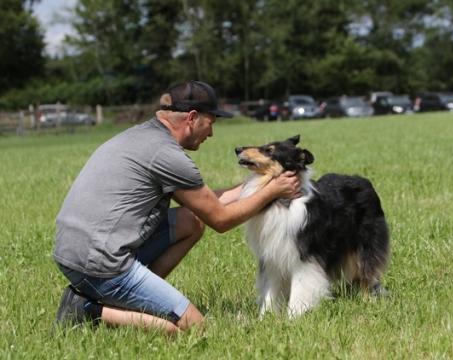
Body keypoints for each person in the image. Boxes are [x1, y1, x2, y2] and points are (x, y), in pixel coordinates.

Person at [52, 80, 300, 334]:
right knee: (191, 328)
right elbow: (221, 219)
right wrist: (273, 190)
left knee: (190, 222)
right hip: (100, 264)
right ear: (192, 117)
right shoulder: (167, 156)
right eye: (211, 123)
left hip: (73, 252)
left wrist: (258, 184)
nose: (211, 134)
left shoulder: (138, 136)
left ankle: (136, 297)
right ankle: (87, 311)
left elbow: (206, 205)